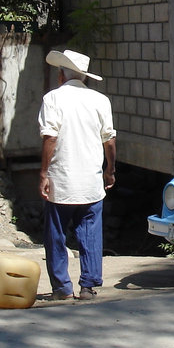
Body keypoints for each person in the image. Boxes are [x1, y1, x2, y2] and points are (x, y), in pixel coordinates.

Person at [38, 49, 116, 301]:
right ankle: (88, 286)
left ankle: (62, 288)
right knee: (90, 233)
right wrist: (110, 170)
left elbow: (50, 137)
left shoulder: (52, 99)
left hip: (61, 180)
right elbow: (110, 140)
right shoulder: (100, 100)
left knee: (56, 235)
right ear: (84, 77)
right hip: (91, 180)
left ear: (61, 75)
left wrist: (43, 173)